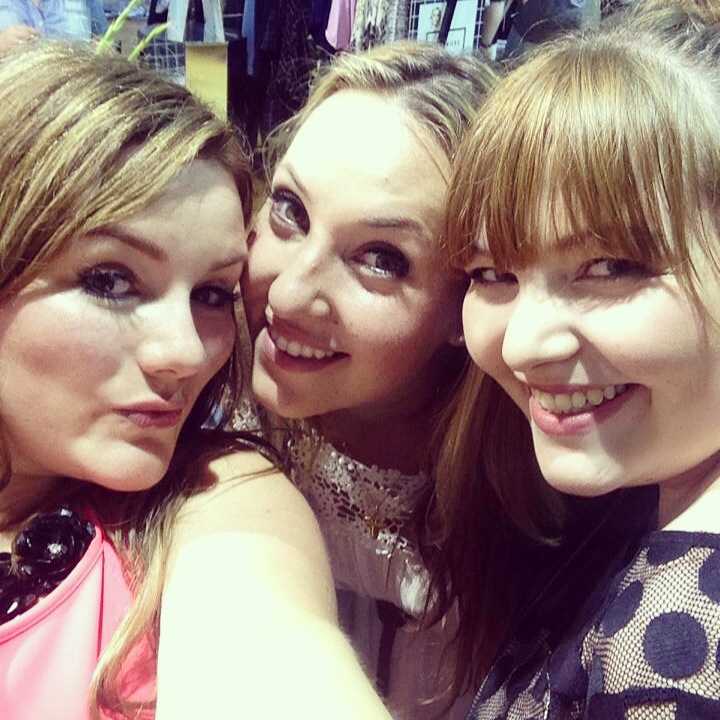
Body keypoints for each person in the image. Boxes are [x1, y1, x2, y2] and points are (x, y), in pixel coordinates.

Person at [0, 39, 392, 720]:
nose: (186, 352)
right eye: (110, 280)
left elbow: (269, 642)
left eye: (211, 294)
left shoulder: (219, 497)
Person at [442, 0, 720, 716]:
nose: (522, 344)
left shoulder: (673, 652)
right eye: (491, 273)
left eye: (611, 267)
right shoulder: (645, 499)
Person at [236, 41, 498, 720]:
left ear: (468, 301)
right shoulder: (200, 382)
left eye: (380, 258)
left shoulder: (528, 476)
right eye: (290, 210)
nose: (288, 294)